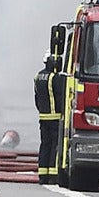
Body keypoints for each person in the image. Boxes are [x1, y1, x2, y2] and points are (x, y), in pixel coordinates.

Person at [34, 51, 61, 184]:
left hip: (43, 117)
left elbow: (36, 98)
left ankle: (42, 174)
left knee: (45, 144)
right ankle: (53, 174)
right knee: (55, 145)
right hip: (55, 117)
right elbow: (61, 97)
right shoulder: (55, 78)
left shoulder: (38, 76)